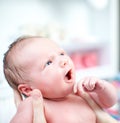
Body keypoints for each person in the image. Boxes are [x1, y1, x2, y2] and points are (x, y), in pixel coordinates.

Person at [3, 36, 118, 123]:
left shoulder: (80, 93)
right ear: (28, 89)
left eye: (62, 53)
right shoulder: (34, 105)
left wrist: (101, 87)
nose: (64, 61)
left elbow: (109, 102)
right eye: (48, 62)